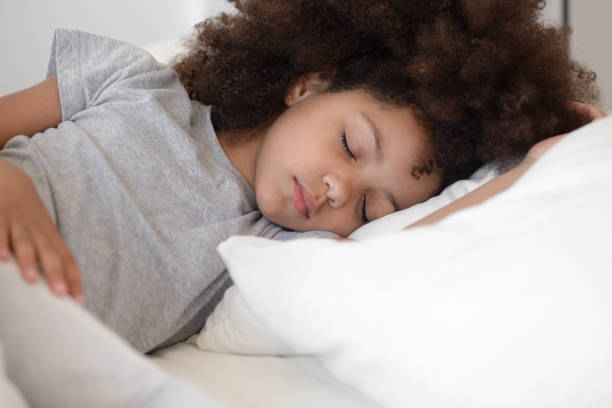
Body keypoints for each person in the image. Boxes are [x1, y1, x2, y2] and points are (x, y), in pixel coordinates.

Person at [0, 0, 600, 355]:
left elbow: (422, 242)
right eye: (349, 144)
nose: (341, 190)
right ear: (306, 85)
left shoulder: (268, 248)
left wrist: (534, 164)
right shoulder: (134, 82)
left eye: (370, 210)